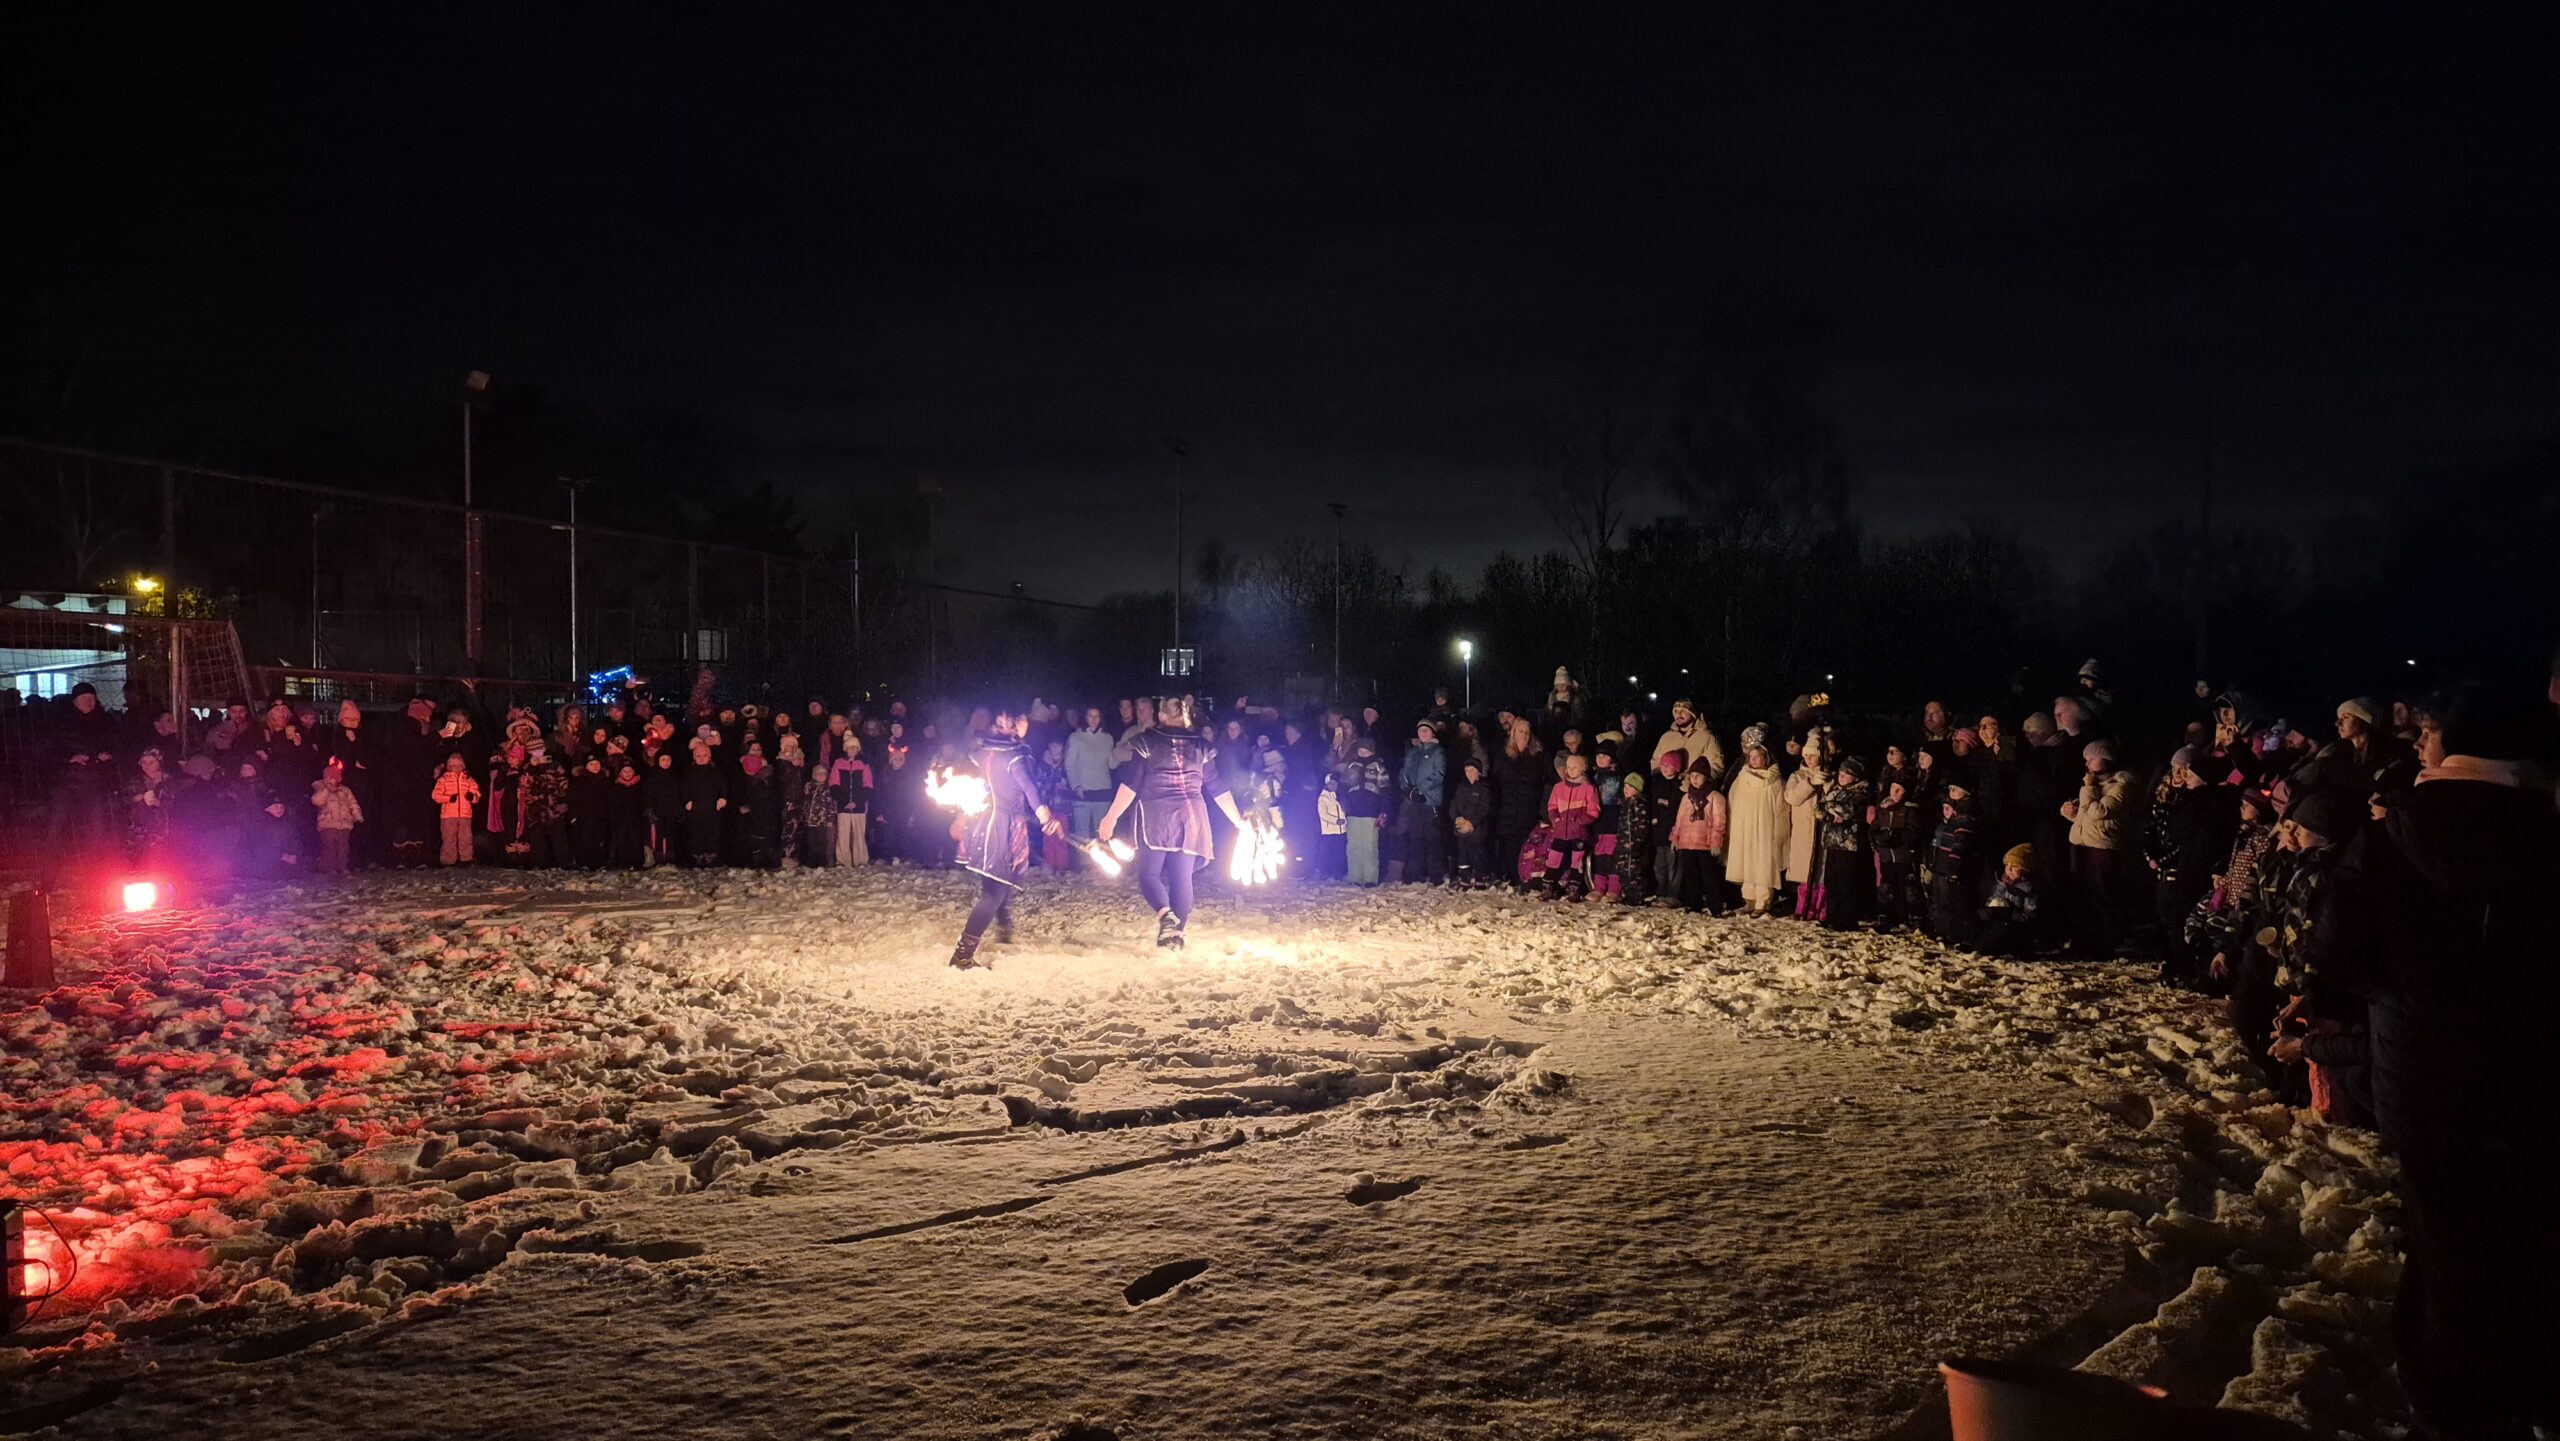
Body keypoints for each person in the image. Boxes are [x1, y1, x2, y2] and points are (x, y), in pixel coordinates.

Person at [2299, 685, 2560, 1437]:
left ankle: (2449, 1398)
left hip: (2424, 1072)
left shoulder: (2391, 835)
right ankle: (2534, 1388)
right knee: (2525, 1224)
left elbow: (2335, 952)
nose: (2420, 742)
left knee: (2442, 1230)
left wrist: (2404, 991)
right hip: (2532, 1071)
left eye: (2433, 732)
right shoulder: (2547, 834)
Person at [1095, 695, 1252, 949]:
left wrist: (1111, 816)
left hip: (1157, 816)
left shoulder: (1148, 741)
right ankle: (1176, 936)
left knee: (1149, 874)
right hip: (1191, 817)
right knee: (1182, 878)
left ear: (1161, 715)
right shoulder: (1200, 746)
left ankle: (1166, 916)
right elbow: (1217, 787)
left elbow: (1131, 783)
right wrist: (1237, 820)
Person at [946, 705, 1068, 969]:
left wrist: (961, 817)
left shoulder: (983, 752)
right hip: (999, 827)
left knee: (994, 888)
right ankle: (962, 956)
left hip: (982, 822)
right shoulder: (1014, 756)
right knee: (994, 893)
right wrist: (1047, 819)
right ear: (1011, 725)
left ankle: (1000, 927)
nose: (1025, 724)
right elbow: (1029, 788)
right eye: (1020, 720)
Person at [2060, 739, 2136, 953]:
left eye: (2092, 757)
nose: (2088, 762)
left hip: (2102, 847)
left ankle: (2104, 941)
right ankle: (2082, 939)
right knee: (2081, 894)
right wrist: (2071, 812)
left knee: (2101, 893)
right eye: (2086, 758)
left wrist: (2088, 788)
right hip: (2081, 844)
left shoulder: (2120, 787)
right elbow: (2086, 812)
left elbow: (2098, 812)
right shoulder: (2094, 787)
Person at [1724, 726, 1790, 916]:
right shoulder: (1742, 779)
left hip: (1765, 829)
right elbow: (1733, 802)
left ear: (1765, 758)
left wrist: (1780, 831)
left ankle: (1763, 901)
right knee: (1747, 861)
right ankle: (1749, 899)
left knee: (1763, 863)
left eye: (1757, 757)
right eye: (1750, 757)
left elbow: (1782, 808)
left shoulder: (1775, 781)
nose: (1753, 760)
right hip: (1745, 829)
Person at [1538, 752, 1602, 901]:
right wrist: (1556, 820)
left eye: (1575, 767)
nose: (1571, 770)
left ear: (1582, 769)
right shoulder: (1559, 787)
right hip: (1560, 832)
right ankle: (1548, 887)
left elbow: (1594, 811)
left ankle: (1574, 890)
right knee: (1554, 859)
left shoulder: (1588, 788)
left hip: (1578, 833)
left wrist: (1579, 821)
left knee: (1577, 862)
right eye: (1569, 767)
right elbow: (1552, 807)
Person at [1668, 762, 1728, 913]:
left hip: (1705, 843)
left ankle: (1715, 906)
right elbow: (1679, 820)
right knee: (1690, 875)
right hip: (1687, 842)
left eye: (1698, 776)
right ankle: (1695, 904)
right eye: (1692, 776)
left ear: (1706, 777)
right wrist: (1675, 837)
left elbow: (1719, 822)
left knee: (1709, 876)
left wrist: (1716, 842)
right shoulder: (1686, 798)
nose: (1694, 779)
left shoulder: (1715, 797)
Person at [1395, 720, 1446, 884]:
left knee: (1432, 839)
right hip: (1413, 802)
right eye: (1420, 730)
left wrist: (1420, 790)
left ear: (1432, 733)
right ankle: (1414, 873)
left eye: (1426, 730)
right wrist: (1406, 789)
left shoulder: (1438, 751)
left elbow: (1439, 773)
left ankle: (1435, 874)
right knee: (1415, 838)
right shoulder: (1413, 752)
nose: (1423, 733)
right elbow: (1403, 772)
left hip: (1430, 801)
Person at [1927, 792, 1981, 943]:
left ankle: (1955, 933)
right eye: (1943, 808)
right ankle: (1942, 930)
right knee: (1940, 901)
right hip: (1940, 867)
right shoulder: (1943, 826)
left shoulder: (1959, 824)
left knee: (1952, 902)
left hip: (1950, 869)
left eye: (1948, 808)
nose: (1945, 811)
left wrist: (1953, 867)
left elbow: (1960, 846)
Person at [1336, 737, 1390, 886]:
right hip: (1353, 812)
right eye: (1361, 750)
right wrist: (1343, 803)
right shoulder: (1352, 766)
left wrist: (1383, 811)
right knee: (1353, 845)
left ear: (1372, 751)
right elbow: (1343, 787)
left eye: (1366, 750)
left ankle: (1370, 878)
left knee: (1369, 846)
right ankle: (1354, 876)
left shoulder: (1379, 768)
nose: (1363, 752)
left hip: (1371, 812)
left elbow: (1385, 791)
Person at [1974, 844, 2044, 956]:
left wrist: (2008, 913)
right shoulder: (2002, 885)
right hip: (1998, 923)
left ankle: (1983, 948)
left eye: (2015, 866)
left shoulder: (2030, 891)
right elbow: (1991, 900)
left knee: (2000, 929)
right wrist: (1992, 907)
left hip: (2017, 930)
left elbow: (2030, 918)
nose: (2009, 869)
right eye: (2007, 865)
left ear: (2025, 870)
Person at [1065, 706, 1118, 842]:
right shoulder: (1076, 737)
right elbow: (1069, 764)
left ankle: (1103, 856)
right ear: (1085, 717)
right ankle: (1082, 857)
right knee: (1082, 834)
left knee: (1103, 833)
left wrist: (1123, 753)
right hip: (1082, 792)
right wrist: (1076, 786)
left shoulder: (1108, 738)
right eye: (1090, 716)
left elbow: (1112, 764)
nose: (1094, 719)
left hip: (1103, 793)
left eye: (1097, 716)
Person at [310, 757, 364, 876]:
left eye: (335, 777)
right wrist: (326, 789)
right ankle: (329, 867)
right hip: (328, 824)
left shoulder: (345, 790)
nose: (333, 780)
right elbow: (316, 801)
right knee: (329, 847)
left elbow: (353, 803)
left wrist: (357, 815)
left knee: (343, 847)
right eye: (330, 777)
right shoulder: (321, 789)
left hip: (344, 823)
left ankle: (342, 866)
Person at [1449, 757, 1492, 887]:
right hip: (1461, 827)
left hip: (1477, 829)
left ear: (1478, 771)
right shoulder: (1461, 787)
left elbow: (1484, 808)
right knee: (1463, 854)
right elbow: (1454, 804)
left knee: (1478, 853)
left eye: (1472, 770)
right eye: (1466, 770)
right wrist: (1457, 818)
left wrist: (1471, 823)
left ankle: (1480, 877)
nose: (1469, 773)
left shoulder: (1484, 788)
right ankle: (1465, 878)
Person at [431, 754, 481, 866]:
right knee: (449, 838)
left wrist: (472, 797)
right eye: (453, 766)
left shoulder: (468, 779)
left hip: (465, 814)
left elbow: (476, 793)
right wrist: (448, 798)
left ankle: (466, 859)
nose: (456, 768)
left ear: (463, 766)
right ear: (449, 767)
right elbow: (435, 795)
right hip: (448, 815)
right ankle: (448, 860)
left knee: (465, 838)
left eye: (459, 766)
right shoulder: (443, 780)